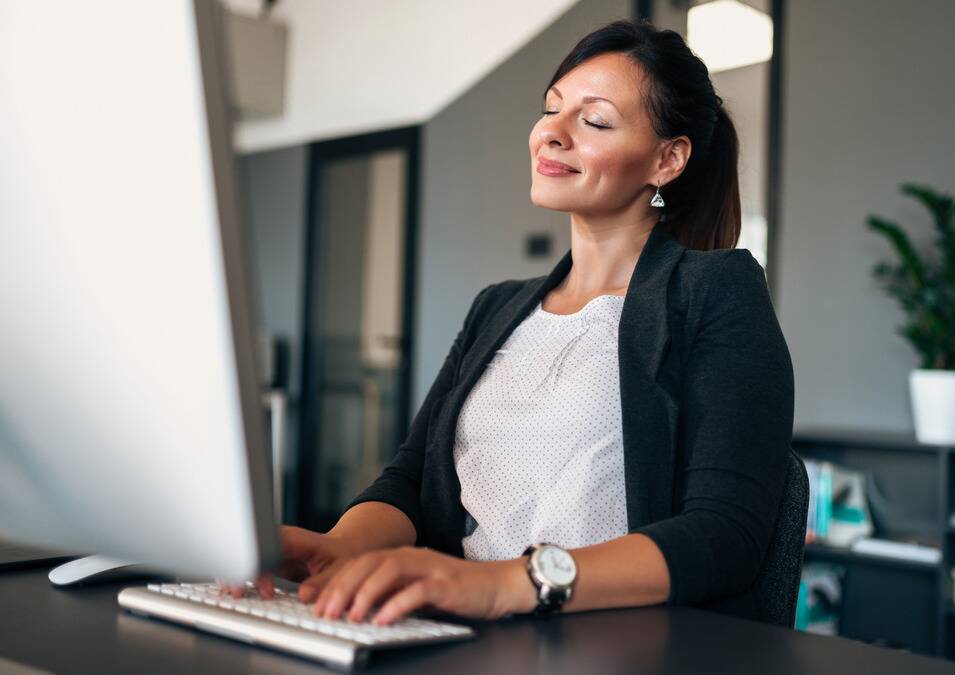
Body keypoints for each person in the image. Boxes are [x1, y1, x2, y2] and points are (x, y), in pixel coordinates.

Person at [224, 18, 794, 627]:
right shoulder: (497, 307)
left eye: (594, 120)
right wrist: (339, 546)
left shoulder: (717, 292)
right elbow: (412, 481)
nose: (553, 133)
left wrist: (504, 583)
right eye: (552, 110)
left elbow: (725, 534)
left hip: (615, 639)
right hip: (465, 632)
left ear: (667, 159)